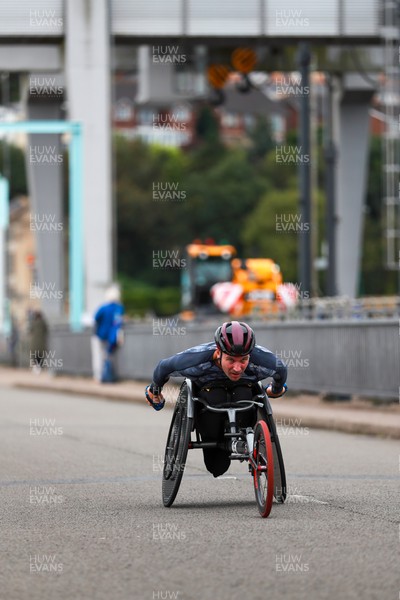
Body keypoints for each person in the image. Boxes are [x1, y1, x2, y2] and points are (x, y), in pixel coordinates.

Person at [145, 321, 287, 477]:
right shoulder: (197, 359)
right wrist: (154, 391)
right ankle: (218, 444)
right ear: (218, 352)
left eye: (243, 360)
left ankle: (249, 438)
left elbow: (281, 370)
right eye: (231, 360)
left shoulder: (262, 360)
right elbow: (163, 367)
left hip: (244, 400)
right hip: (209, 402)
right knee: (217, 467)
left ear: (250, 355)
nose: (237, 368)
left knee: (245, 392)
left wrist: (275, 390)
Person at [91, 285, 124, 382]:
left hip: (100, 335)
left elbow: (96, 318)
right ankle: (109, 375)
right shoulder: (119, 308)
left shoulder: (103, 307)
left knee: (98, 356)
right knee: (109, 356)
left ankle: (99, 376)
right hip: (112, 337)